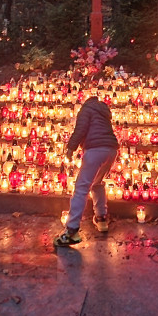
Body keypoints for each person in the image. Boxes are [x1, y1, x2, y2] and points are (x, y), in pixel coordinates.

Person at [54, 94, 120, 247]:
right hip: (111, 151)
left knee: (81, 188)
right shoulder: (103, 112)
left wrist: (70, 149)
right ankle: (101, 218)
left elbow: (80, 130)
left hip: (95, 150)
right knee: (97, 183)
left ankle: (71, 230)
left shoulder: (86, 110)